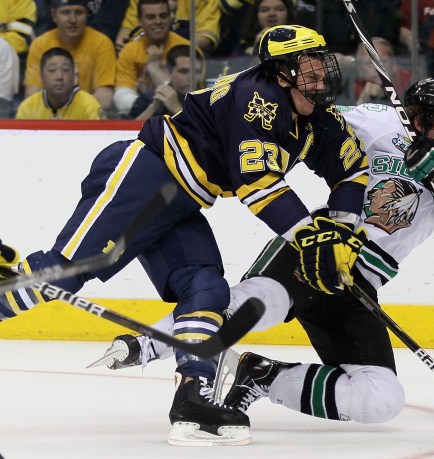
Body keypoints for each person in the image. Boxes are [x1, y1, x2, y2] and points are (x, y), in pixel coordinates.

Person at [0, 24, 368, 445]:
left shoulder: (318, 118)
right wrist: (309, 237)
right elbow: (260, 186)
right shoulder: (258, 100)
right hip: (147, 177)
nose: (321, 72)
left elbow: (353, 170)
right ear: (281, 73)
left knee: (206, 287)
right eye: (307, 66)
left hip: (185, 201)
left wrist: (342, 229)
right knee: (65, 272)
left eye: (321, 61)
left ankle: (193, 394)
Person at [95, 78, 434, 445]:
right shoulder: (378, 121)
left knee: (380, 400)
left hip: (364, 280)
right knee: (257, 305)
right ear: (419, 117)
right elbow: (313, 125)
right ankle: (147, 344)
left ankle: (261, 375)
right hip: (322, 246)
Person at [24, 0, 117, 112]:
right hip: (48, 117)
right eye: (65, 12)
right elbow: (32, 93)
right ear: (54, 15)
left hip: (86, 118)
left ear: (87, 14)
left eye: (78, 12)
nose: (72, 20)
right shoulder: (40, 44)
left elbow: (104, 98)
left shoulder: (102, 43)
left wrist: (72, 114)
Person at [113, 0, 190, 116]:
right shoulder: (129, 51)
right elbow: (122, 100)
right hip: (143, 115)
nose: (158, 21)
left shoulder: (187, 48)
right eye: (151, 17)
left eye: (163, 16)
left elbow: (190, 95)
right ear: (139, 21)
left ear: (171, 17)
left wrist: (154, 69)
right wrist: (149, 101)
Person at [16, 47, 105, 120]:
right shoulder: (28, 107)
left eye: (65, 70)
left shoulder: (89, 106)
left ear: (74, 74)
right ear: (41, 75)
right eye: (52, 70)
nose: (59, 77)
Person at [128, 44, 206, 120]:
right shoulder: (148, 99)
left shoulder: (206, 101)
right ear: (168, 72)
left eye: (197, 72)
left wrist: (176, 108)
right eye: (184, 71)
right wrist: (153, 107)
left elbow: (203, 131)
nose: (191, 78)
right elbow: (127, 131)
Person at [115, 0, 221, 55]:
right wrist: (122, 40)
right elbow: (126, 32)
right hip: (145, 52)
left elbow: (205, 38)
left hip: (186, 56)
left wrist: (171, 51)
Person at [339, 37, 412, 106]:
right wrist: (362, 102)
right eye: (369, 63)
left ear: (394, 65)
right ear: (360, 70)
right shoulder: (350, 87)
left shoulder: (409, 83)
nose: (377, 68)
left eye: (383, 62)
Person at [0, 0, 36, 118]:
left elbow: (21, 38)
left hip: (8, 56)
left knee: (2, 48)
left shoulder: (22, 2)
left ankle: (2, 115)